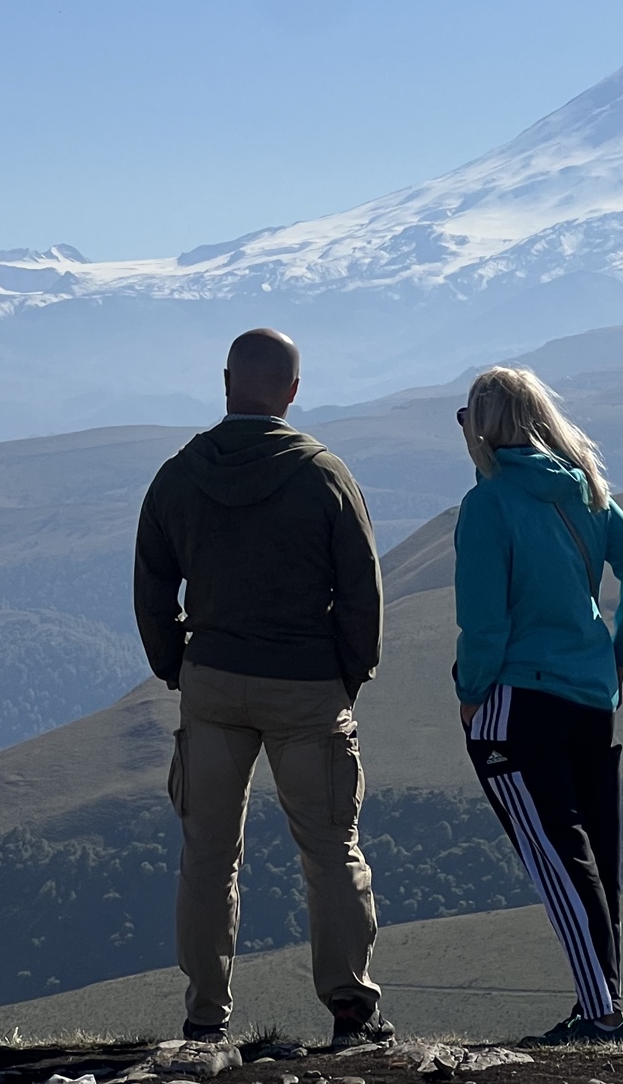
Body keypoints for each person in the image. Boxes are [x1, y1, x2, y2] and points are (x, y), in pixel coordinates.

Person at [134, 327, 393, 1052]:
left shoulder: (180, 475)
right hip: (308, 686)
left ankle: (204, 1020)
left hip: (212, 683)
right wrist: (349, 674)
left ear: (225, 383)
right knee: (331, 849)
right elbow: (362, 592)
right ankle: (351, 1011)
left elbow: (153, 582)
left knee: (208, 856)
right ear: (294, 391)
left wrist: (176, 665)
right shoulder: (323, 474)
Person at [454, 365, 623, 1048]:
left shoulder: (489, 504)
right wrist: (621, 654)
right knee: (593, 853)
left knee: (554, 856)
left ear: (485, 427)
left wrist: (470, 692)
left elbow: (484, 622)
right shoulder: (589, 491)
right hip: (590, 696)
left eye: (465, 418)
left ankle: (602, 1016)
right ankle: (600, 1001)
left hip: (518, 699)